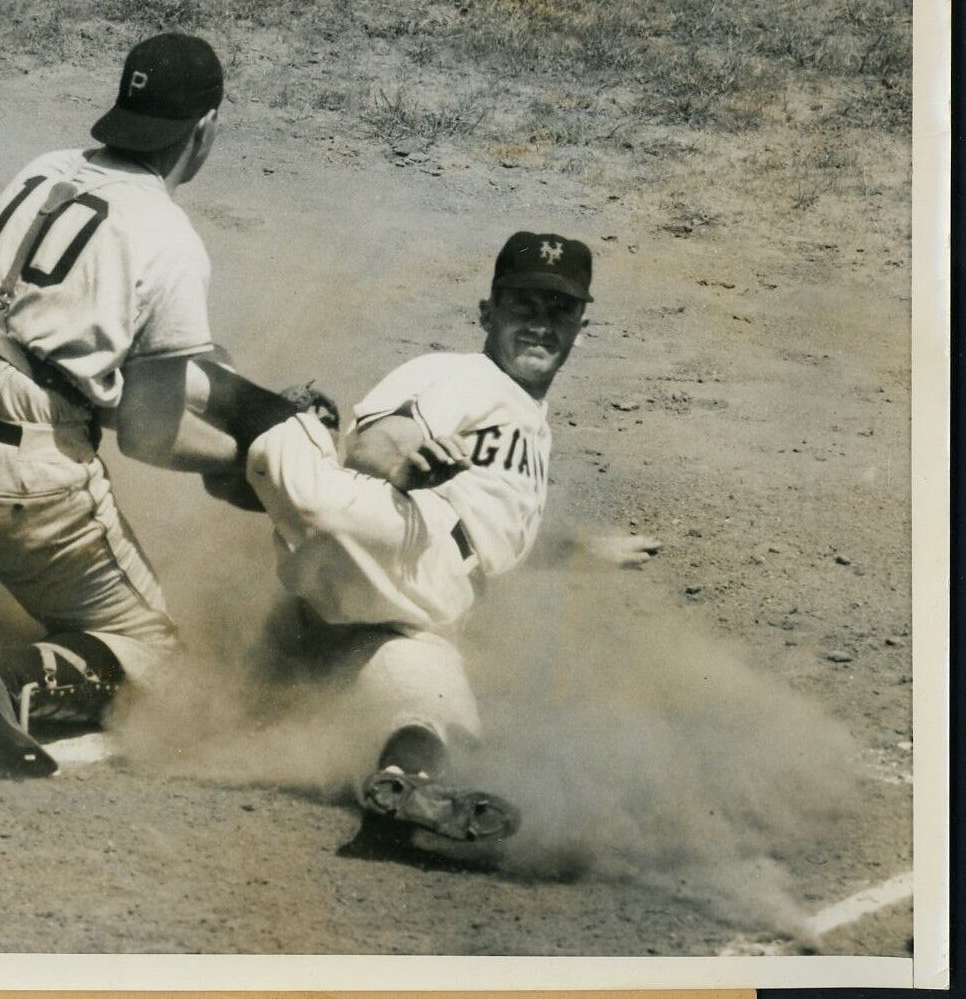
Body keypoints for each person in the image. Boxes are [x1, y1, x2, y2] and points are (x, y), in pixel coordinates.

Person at [0, 32, 325, 778]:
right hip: (11, 484)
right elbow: (148, 437)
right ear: (206, 130)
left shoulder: (49, 166)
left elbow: (65, 332)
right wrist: (240, 462)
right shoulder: (173, 241)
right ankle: (14, 676)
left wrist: (228, 396)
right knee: (159, 657)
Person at [225, 231, 656, 858]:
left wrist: (578, 548)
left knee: (435, 712)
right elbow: (381, 438)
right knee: (310, 479)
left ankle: (408, 785)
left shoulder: (532, 424)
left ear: (581, 327)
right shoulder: (464, 374)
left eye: (558, 311)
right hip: (394, 532)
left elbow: (490, 538)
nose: (541, 325)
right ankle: (268, 414)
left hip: (418, 596)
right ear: (487, 314)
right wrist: (394, 461)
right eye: (523, 307)